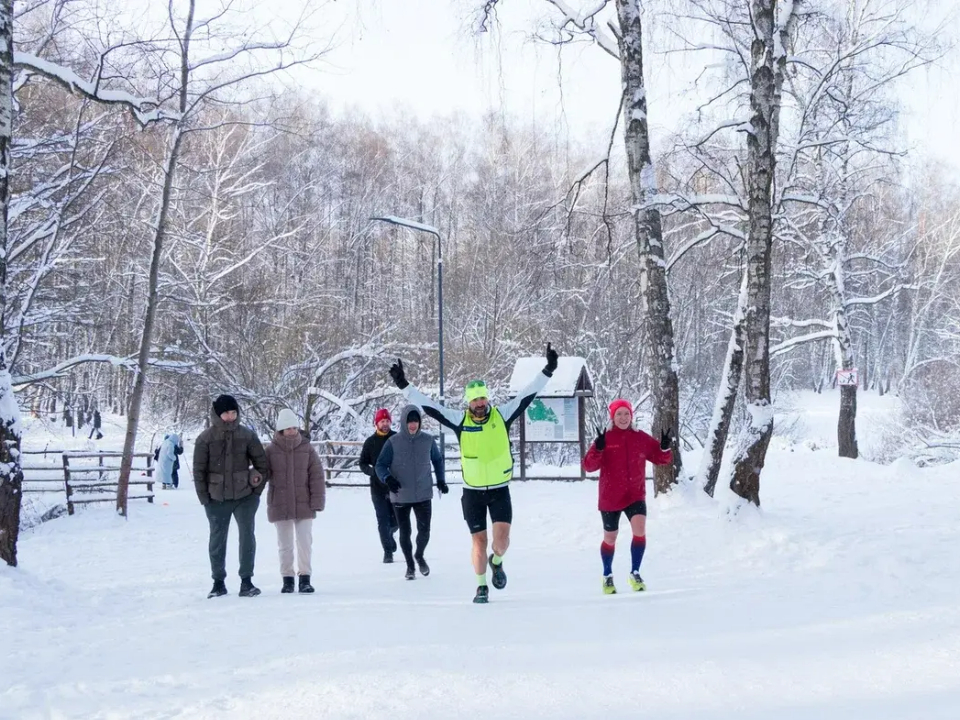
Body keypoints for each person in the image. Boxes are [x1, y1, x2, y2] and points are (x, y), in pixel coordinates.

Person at [389, 342, 558, 603]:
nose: (479, 403)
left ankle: (497, 561)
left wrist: (549, 369)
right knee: (479, 542)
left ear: (487, 398)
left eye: (482, 398)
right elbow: (429, 406)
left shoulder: (502, 416)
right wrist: (404, 385)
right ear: (469, 401)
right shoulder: (460, 421)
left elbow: (528, 394)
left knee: (501, 542)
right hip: (473, 493)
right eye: (475, 399)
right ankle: (481, 587)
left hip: (500, 490)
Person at [582, 399, 673, 595]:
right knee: (610, 537)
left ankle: (635, 572)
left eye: (626, 414)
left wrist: (665, 447)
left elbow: (660, 458)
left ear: (631, 416)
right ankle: (607, 574)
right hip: (610, 497)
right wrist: (598, 449)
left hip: (635, 494)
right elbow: (588, 466)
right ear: (612, 417)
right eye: (619, 414)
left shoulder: (640, 437)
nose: (623, 418)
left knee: (639, 529)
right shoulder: (605, 438)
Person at [193, 394, 269, 599]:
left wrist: (256, 493)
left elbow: (263, 464)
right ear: (218, 414)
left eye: (234, 412)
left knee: (247, 538)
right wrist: (204, 499)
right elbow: (198, 471)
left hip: (245, 497)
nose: (230, 416)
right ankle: (218, 582)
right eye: (226, 412)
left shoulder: (247, 435)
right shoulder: (205, 438)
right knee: (217, 540)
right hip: (216, 499)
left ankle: (247, 581)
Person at [375, 405, 447, 580]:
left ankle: (419, 555)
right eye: (409, 421)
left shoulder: (428, 440)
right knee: (405, 532)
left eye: (415, 421)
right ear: (403, 422)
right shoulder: (393, 442)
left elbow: (437, 460)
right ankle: (409, 565)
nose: (413, 425)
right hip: (401, 494)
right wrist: (388, 479)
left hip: (423, 493)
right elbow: (380, 465)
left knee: (425, 530)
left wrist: (441, 480)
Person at [265, 408, 325, 594]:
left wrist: (317, 501)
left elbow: (317, 476)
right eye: (287, 428)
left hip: (304, 502)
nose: (291, 431)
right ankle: (287, 578)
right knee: (285, 544)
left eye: (294, 427)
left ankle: (305, 577)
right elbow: (262, 473)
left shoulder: (307, 449)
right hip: (280, 503)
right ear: (280, 430)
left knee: (305, 541)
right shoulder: (270, 450)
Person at [358, 408, 400, 563]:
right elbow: (362, 463)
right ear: (376, 423)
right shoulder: (370, 442)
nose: (385, 424)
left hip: (395, 486)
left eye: (387, 421)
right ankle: (387, 551)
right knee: (382, 520)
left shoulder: (397, 438)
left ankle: (389, 535)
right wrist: (372, 472)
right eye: (382, 421)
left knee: (397, 520)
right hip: (377, 488)